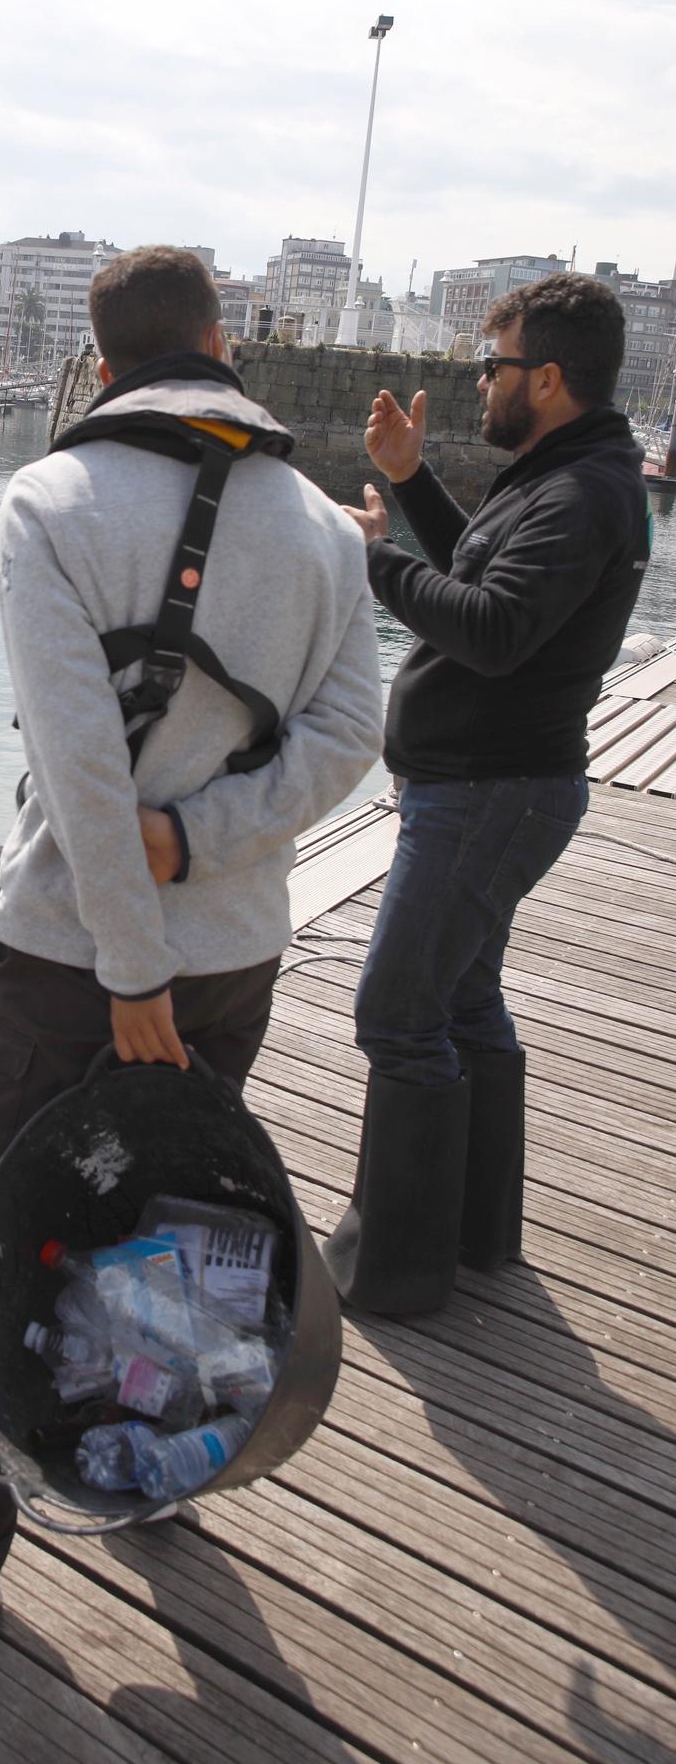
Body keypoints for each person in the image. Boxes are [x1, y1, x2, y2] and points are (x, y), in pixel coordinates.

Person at [0, 246, 383, 1628]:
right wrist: (205, 842)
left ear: (102, 361)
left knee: (8, 1237)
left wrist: (131, 961)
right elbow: (353, 738)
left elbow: (80, 772)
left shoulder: (52, 501)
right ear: (223, 347)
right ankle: (164, 1463)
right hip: (241, 949)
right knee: (172, 1216)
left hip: (77, 968)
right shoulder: (319, 525)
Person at [324, 271, 649, 1316]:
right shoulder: (563, 473)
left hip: (488, 792)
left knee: (396, 1012)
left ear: (545, 377)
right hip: (489, 786)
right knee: (458, 1000)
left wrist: (372, 561)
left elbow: (494, 629)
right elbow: (480, 570)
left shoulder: (583, 490)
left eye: (491, 364)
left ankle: (396, 1269)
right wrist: (412, 482)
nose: (475, 384)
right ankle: (473, 1236)